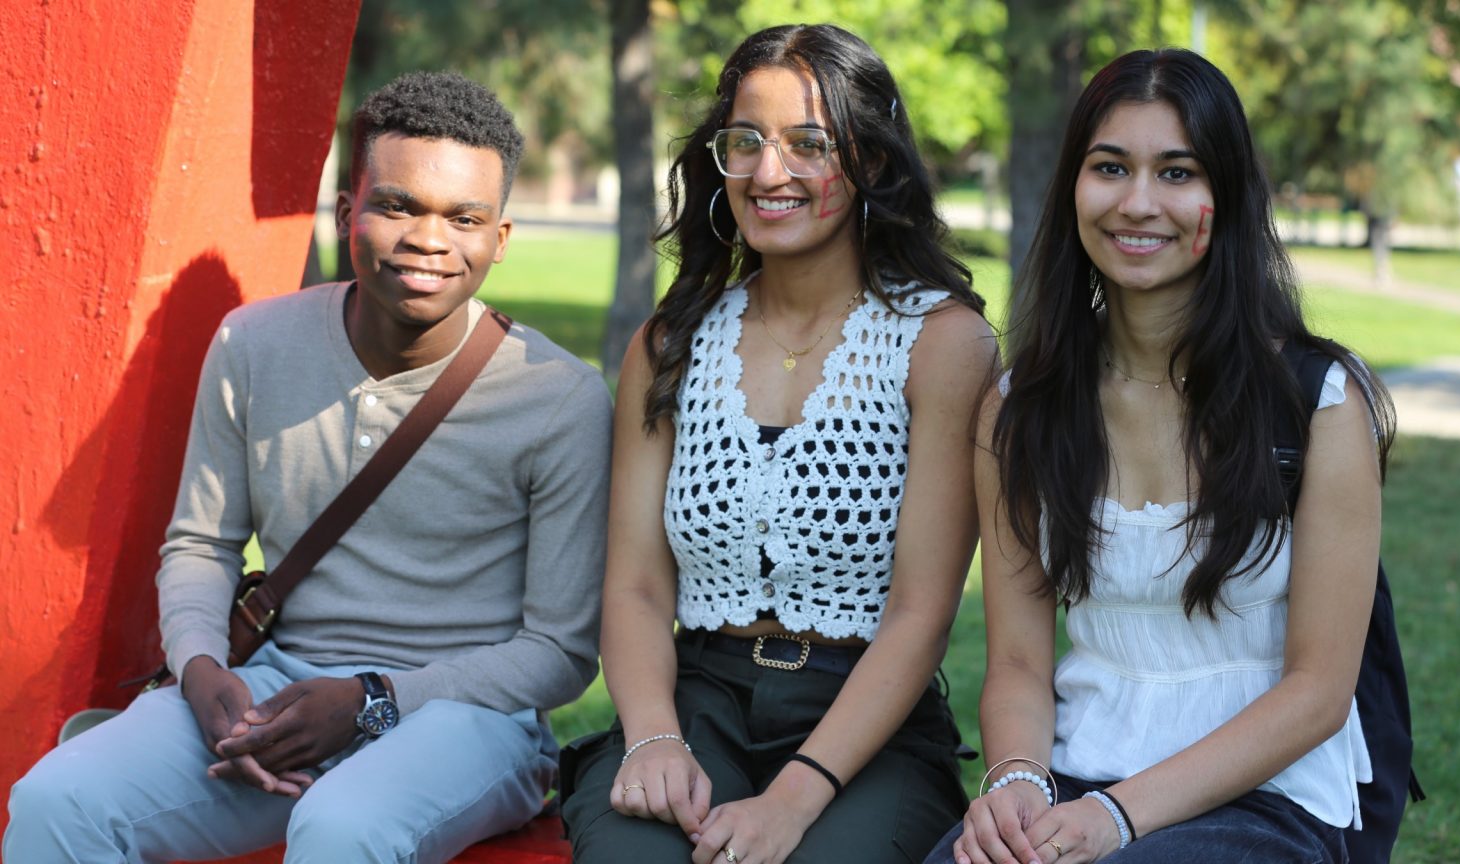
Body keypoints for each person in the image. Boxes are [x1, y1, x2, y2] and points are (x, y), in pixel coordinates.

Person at [5, 71, 612, 863]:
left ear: (498, 239)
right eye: (397, 205)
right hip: (275, 688)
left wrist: (372, 703)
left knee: (344, 826)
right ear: (345, 211)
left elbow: (560, 653)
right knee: (56, 801)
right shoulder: (253, 344)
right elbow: (201, 544)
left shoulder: (558, 396)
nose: (429, 239)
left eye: (463, 218)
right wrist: (198, 668)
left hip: (464, 718)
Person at [925, 49, 1396, 864]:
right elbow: (1018, 663)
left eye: (1178, 173)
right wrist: (1015, 782)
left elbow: (1319, 694)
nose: (1139, 203)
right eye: (1111, 167)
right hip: (1076, 773)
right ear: (1074, 184)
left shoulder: (1317, 402)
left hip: (1273, 796)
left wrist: (1117, 817)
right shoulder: (1019, 408)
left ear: (1226, 197)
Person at [559, 23, 996, 864]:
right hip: (696, 699)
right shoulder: (670, 342)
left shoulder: (941, 344)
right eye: (746, 142)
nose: (770, 173)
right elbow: (639, 586)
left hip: (866, 722)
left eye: (808, 144)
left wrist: (790, 804)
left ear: (869, 159)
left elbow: (920, 614)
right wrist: (652, 739)